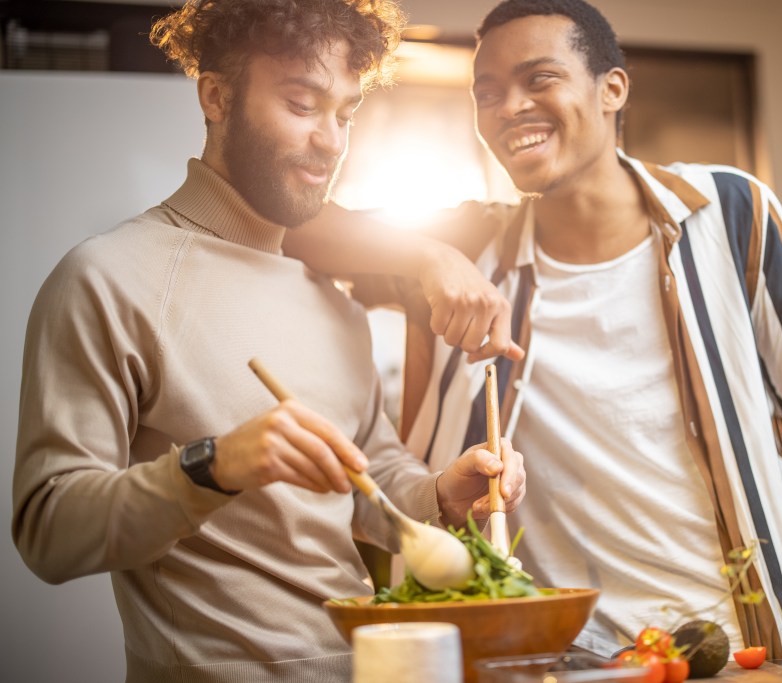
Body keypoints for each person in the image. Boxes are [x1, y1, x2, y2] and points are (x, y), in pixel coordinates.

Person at [284, 0, 782, 661]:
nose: (508, 107)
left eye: (538, 79)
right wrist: (425, 256)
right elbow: (293, 225)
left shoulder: (732, 211)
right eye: (487, 93)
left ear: (613, 88)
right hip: (564, 660)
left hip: (753, 648)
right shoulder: (471, 243)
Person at [11, 1, 525, 681]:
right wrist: (213, 465)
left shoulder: (332, 302)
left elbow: (370, 481)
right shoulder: (108, 278)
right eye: (302, 103)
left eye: (344, 114)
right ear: (217, 96)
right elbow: (48, 532)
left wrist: (440, 492)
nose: (332, 141)